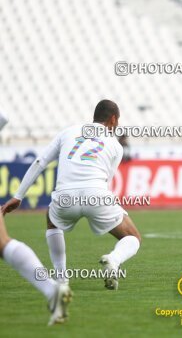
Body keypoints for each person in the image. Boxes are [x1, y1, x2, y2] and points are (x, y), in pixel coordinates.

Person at [1, 100, 141, 290]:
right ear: (113, 119)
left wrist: (18, 196)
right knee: (132, 237)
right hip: (96, 195)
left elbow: (40, 162)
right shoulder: (116, 146)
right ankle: (114, 260)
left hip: (65, 197)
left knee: (52, 219)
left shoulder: (68, 132)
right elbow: (106, 181)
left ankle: (61, 278)